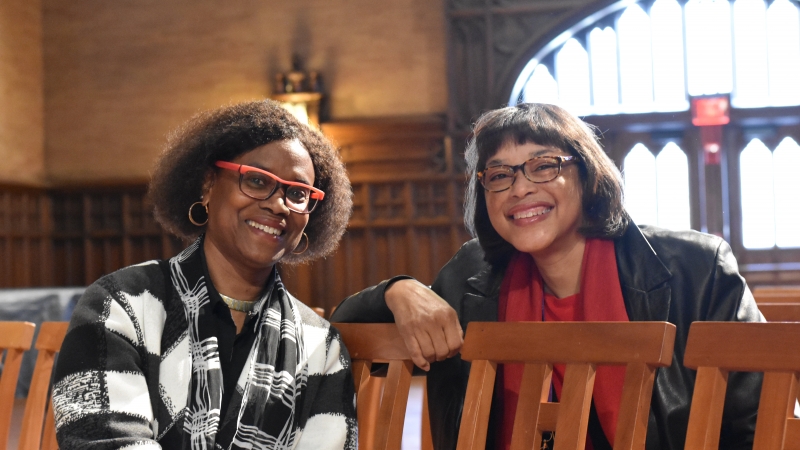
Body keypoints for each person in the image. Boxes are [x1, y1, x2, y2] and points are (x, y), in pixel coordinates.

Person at [331, 103, 763, 450]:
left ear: (588, 174)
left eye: (543, 166)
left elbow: (757, 425)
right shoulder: (472, 278)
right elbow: (342, 333)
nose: (520, 188)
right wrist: (397, 290)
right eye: (500, 175)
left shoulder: (695, 268)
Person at [52, 101, 357, 450]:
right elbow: (101, 441)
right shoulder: (121, 304)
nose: (279, 204)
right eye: (257, 181)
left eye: (298, 193)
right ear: (208, 185)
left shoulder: (322, 346)